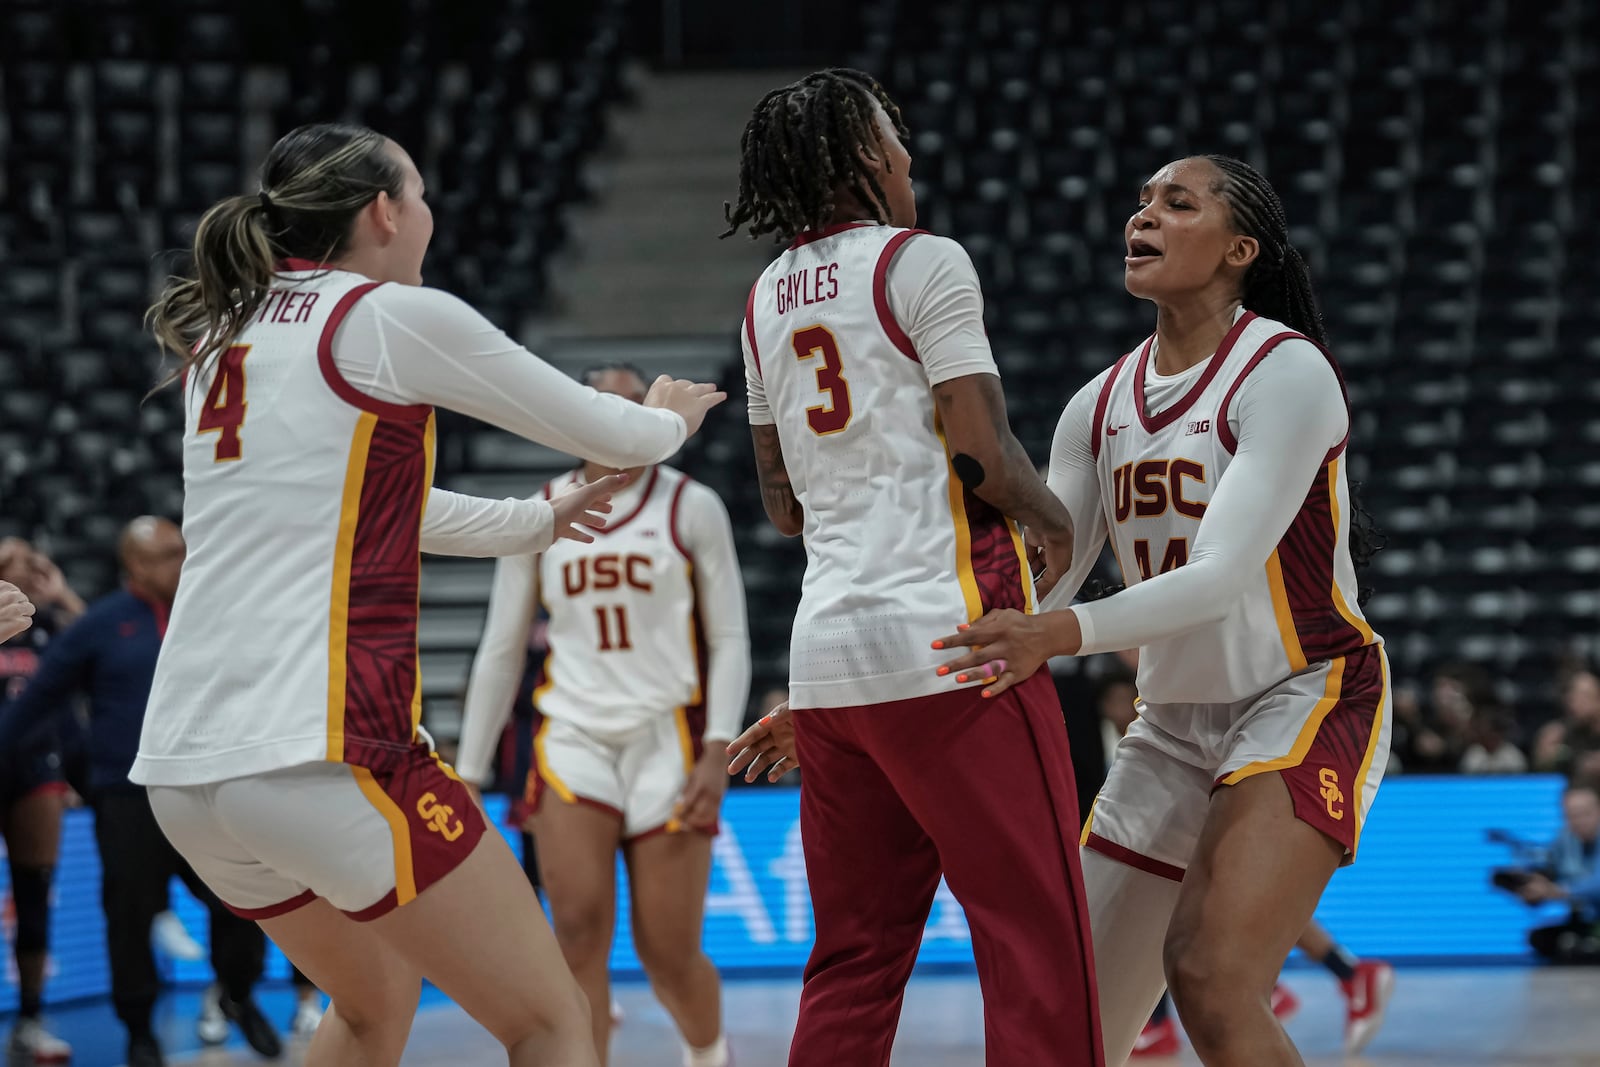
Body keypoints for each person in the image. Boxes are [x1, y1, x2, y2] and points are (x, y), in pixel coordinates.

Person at [126, 122, 723, 1067]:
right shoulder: (385, 317)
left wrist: (536, 522)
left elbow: (356, 505)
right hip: (323, 754)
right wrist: (666, 417)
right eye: (423, 193)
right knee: (552, 1022)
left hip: (185, 772)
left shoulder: (223, 332)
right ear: (384, 211)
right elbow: (614, 430)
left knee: (369, 1008)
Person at [723, 69, 1102, 1066]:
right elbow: (980, 451)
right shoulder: (922, 263)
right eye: (895, 141)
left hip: (827, 667)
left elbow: (779, 502)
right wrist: (1052, 519)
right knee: (1037, 939)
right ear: (861, 160)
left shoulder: (763, 295)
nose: (909, 157)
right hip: (954, 645)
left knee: (854, 954)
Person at [457, 362, 751, 1067]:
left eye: (628, 405)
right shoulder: (542, 507)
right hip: (574, 734)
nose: (613, 418)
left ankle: (708, 1053)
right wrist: (467, 770)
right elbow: (501, 647)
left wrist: (718, 747)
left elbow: (731, 637)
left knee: (669, 952)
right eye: (597, 406)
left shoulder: (691, 504)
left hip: (667, 737)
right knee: (578, 933)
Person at [0, 519, 280, 1067]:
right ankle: (140, 1033)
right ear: (135, 565)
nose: (181, 561)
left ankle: (238, 992)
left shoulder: (213, 618)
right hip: (126, 795)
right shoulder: (103, 624)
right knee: (128, 914)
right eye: (167, 554)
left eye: (182, 551)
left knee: (244, 897)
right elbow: (37, 701)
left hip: (209, 791)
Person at [0, 540, 86, 1064]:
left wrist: (62, 596)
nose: (30, 569)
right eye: (15, 562)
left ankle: (30, 1019)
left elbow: (105, 646)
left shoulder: (48, 624)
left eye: (34, 562)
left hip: (35, 766)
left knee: (34, 893)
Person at [1512, 780, 1600, 964]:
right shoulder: (1564, 840)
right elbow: (1548, 871)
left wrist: (1558, 892)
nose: (1578, 821)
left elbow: (1595, 884)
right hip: (1584, 920)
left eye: (1584, 814)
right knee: (1540, 939)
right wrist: (1532, 889)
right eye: (1571, 816)